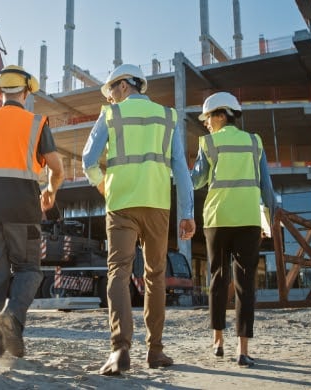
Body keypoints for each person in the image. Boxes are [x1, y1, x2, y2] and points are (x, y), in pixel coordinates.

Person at [82, 64, 196, 375]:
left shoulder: (111, 115)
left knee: (118, 273)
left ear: (121, 86)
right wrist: (187, 213)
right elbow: (181, 170)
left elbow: (87, 159)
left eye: (111, 93)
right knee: (155, 276)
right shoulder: (168, 116)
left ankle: (120, 350)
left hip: (121, 204)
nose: (111, 99)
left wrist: (103, 184)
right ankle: (155, 352)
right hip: (157, 204)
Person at [0, 65, 64, 363]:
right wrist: (51, 192)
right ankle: (13, 316)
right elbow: (57, 169)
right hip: (24, 209)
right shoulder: (37, 123)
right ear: (27, 90)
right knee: (28, 270)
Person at [190, 91, 278, 368]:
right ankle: (243, 350)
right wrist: (268, 219)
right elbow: (267, 187)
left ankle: (217, 341)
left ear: (221, 115)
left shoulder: (208, 144)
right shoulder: (255, 142)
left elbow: (196, 181)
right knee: (245, 284)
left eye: (207, 118)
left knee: (217, 278)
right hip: (249, 219)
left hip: (217, 220)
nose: (206, 123)